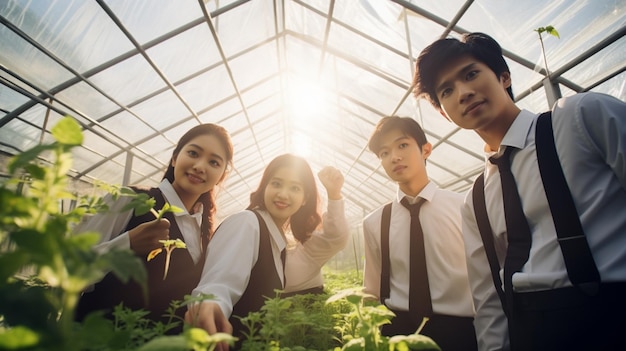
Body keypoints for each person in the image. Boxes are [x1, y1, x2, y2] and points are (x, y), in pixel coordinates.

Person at [413, 32, 626, 351]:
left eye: (471, 74)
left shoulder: (580, 117)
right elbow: (487, 296)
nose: (464, 92)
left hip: (610, 317)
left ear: (504, 76)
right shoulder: (477, 198)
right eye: (447, 90)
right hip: (529, 331)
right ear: (444, 113)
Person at [74, 123, 233, 332]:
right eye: (193, 153)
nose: (200, 166)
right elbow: (69, 268)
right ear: (175, 158)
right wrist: (126, 244)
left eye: (214, 162)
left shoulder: (204, 231)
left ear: (221, 176)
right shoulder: (129, 200)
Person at [185, 154, 348, 349]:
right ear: (265, 188)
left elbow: (336, 237)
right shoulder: (248, 222)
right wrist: (211, 303)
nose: (283, 194)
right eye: (276, 184)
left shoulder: (276, 243)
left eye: (294, 188)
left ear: (305, 199)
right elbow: (221, 280)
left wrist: (335, 195)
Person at [362, 116, 477, 351]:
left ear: (426, 150)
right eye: (384, 153)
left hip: (461, 330)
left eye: (402, 145)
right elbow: (370, 290)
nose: (394, 157)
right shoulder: (375, 222)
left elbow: (487, 277)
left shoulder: (464, 206)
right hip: (397, 330)